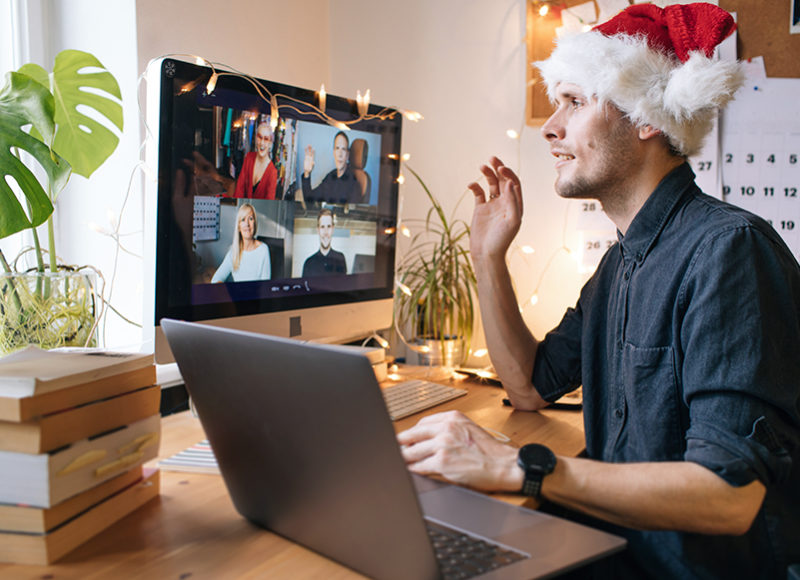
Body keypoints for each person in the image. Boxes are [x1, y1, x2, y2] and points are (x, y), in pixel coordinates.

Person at [397, 4, 800, 579]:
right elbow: (531, 386)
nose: (550, 126)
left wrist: (522, 466)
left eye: (575, 102)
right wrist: (488, 258)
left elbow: (729, 494)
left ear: (647, 118)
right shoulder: (620, 262)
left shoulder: (728, 251)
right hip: (619, 545)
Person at [211, 203, 271, 282]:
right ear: (239, 227)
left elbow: (265, 287)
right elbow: (216, 279)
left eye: (250, 218)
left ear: (255, 223)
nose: (247, 224)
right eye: (243, 220)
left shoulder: (263, 250)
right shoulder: (233, 250)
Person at [301, 130, 362, 204]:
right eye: (337, 148)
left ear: (347, 155)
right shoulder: (330, 176)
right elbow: (309, 199)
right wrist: (307, 173)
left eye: (343, 149)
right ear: (334, 152)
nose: (340, 154)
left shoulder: (354, 184)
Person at [234, 121, 277, 200]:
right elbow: (240, 187)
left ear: (270, 144)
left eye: (266, 139)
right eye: (259, 137)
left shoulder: (272, 172)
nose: (262, 143)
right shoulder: (249, 157)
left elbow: (269, 202)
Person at [302, 208, 347, 277]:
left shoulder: (340, 259)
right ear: (318, 230)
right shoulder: (309, 263)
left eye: (328, 226)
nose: (326, 232)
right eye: (322, 227)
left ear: (332, 229)